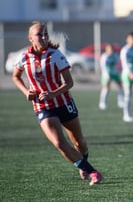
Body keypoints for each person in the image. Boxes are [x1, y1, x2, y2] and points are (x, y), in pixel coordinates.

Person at [12, 22, 103, 186]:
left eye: (46, 33)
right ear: (30, 38)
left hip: (63, 103)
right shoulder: (24, 57)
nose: (44, 37)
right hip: (43, 107)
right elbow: (16, 77)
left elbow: (69, 82)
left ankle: (83, 163)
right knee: (60, 143)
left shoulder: (56, 55)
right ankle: (93, 172)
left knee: (79, 142)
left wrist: (53, 94)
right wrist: (27, 92)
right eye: (40, 34)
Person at [99, 43, 124, 110]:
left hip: (114, 73)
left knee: (120, 85)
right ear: (106, 50)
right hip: (106, 74)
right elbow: (103, 67)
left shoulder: (115, 55)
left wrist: (120, 71)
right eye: (109, 49)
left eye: (112, 49)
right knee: (106, 88)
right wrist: (107, 76)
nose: (110, 51)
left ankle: (120, 102)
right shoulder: (104, 57)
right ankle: (102, 103)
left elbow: (119, 64)